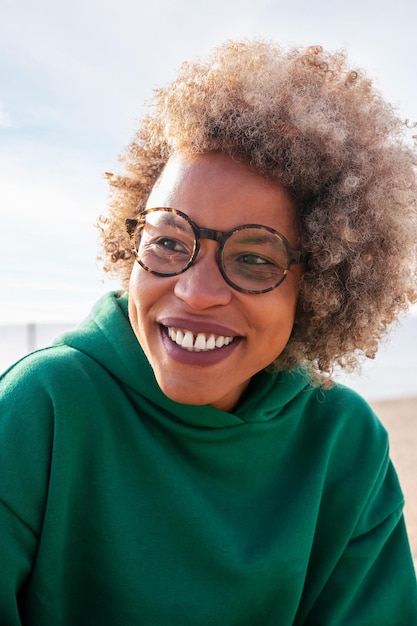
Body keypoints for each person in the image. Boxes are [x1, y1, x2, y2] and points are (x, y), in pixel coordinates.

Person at [1, 39, 416, 625]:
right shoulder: (38, 411)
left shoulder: (344, 447)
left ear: (321, 285)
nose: (195, 292)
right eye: (168, 242)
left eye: (254, 258)